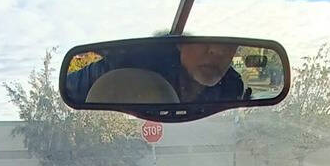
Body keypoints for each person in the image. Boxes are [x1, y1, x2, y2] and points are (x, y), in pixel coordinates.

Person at [64, 40, 246, 104]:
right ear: (180, 42)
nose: (218, 50)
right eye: (205, 39)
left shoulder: (231, 87)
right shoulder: (131, 67)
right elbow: (68, 88)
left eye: (230, 43)